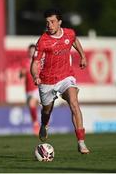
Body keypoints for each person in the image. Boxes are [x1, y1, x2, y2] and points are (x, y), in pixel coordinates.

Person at [30, 8, 90, 154]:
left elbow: (74, 40)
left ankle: (81, 142)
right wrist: (35, 76)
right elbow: (35, 62)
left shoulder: (69, 33)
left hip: (65, 77)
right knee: (46, 110)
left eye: (52, 21)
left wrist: (82, 55)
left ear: (60, 22)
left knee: (74, 103)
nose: (49, 25)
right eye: (47, 22)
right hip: (47, 80)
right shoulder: (43, 40)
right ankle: (44, 124)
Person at [19, 44, 40, 136]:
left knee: (32, 103)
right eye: (30, 51)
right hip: (28, 90)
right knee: (32, 107)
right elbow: (21, 76)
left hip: (37, 88)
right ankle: (37, 124)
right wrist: (22, 74)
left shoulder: (38, 62)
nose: (31, 52)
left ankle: (36, 124)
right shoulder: (24, 62)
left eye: (33, 50)